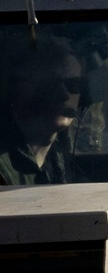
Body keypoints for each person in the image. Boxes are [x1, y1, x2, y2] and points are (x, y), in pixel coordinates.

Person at [0, 38, 82, 186]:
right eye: (51, 83)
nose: (64, 95)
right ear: (20, 90)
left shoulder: (61, 156)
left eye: (73, 84)